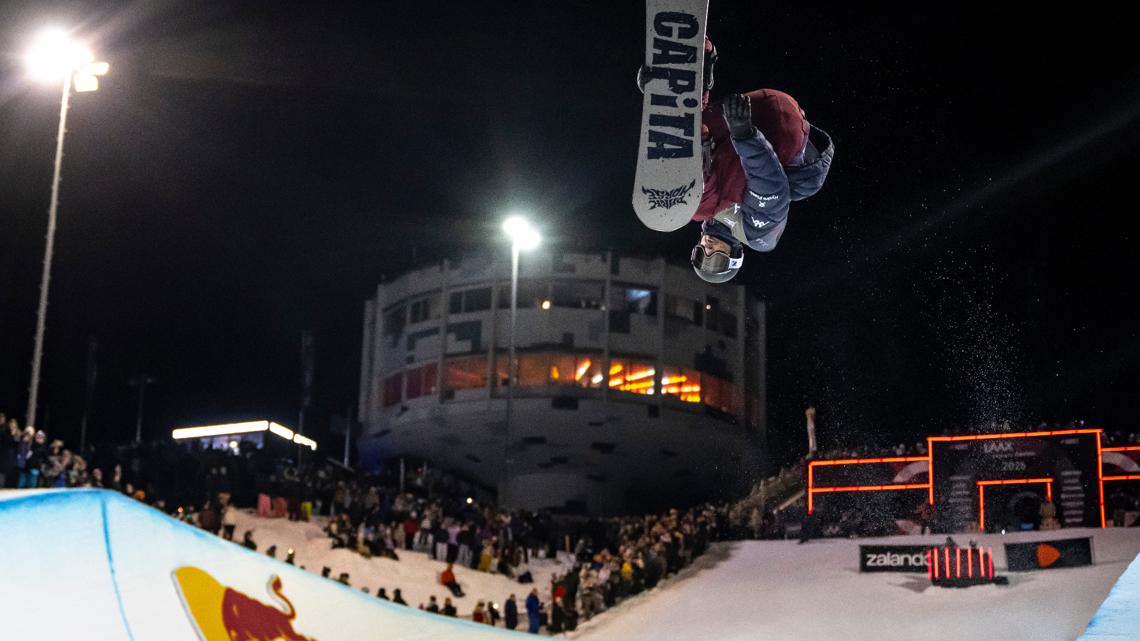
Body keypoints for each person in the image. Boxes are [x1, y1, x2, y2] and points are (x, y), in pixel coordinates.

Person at [639, 37, 834, 284]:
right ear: (735, 255)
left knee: (685, 200)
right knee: (696, 205)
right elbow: (770, 186)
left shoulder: (696, 207)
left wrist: (657, 97)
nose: (708, 250)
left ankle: (684, 90)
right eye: (716, 259)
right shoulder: (757, 235)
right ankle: (694, 142)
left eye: (701, 256)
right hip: (781, 134)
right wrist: (745, 135)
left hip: (749, 115)